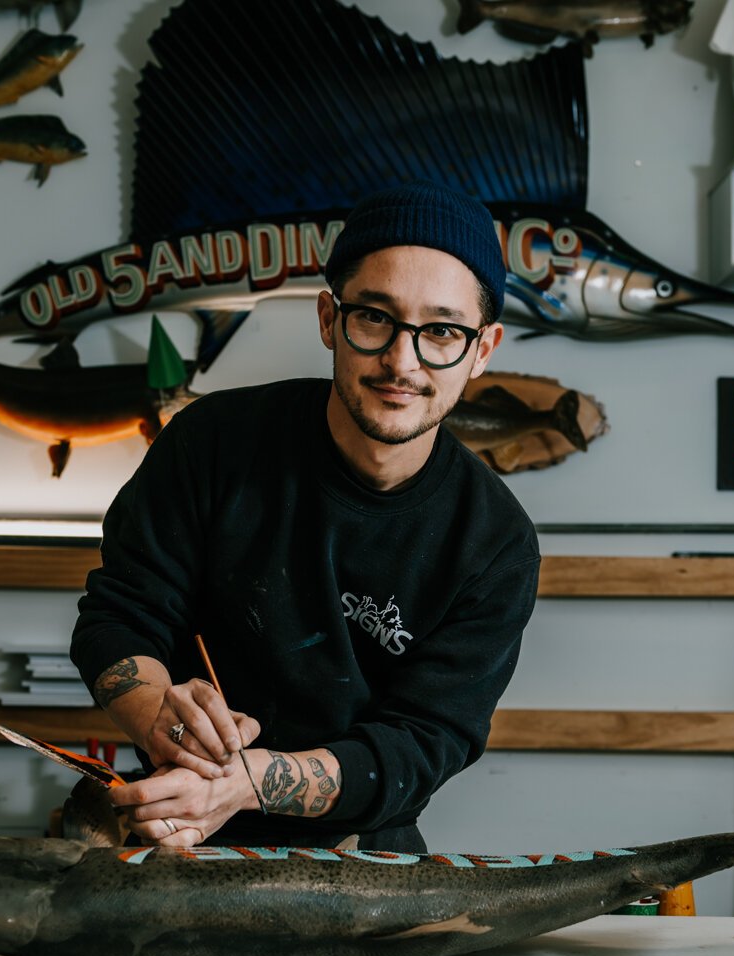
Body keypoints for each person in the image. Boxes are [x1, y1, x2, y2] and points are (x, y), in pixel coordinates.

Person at [70, 181, 541, 852]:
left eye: (440, 330)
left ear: (482, 348)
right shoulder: (211, 443)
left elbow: (420, 744)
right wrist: (163, 726)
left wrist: (250, 780)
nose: (402, 361)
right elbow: (119, 618)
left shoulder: (495, 542)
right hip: (175, 830)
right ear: (329, 318)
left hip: (364, 864)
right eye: (374, 317)